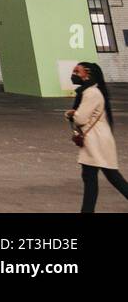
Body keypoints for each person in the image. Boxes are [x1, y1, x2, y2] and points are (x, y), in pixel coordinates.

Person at [66, 61, 128, 212]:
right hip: (96, 139)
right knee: (101, 176)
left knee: (99, 177)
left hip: (96, 141)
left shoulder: (91, 93)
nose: (74, 74)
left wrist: (71, 114)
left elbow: (81, 118)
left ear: (88, 75)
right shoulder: (89, 91)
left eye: (77, 71)